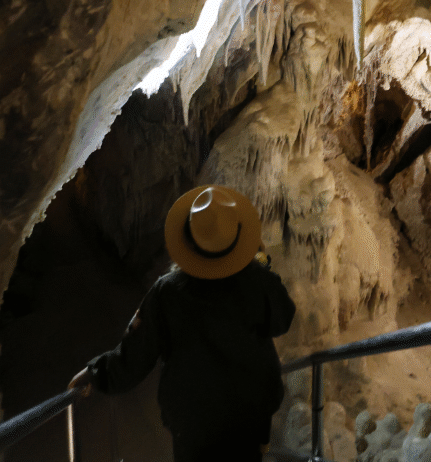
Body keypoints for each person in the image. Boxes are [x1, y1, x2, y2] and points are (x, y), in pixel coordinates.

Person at [69, 185, 296, 462]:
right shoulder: (257, 281)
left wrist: (95, 373)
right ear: (237, 239)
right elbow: (282, 320)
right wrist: (259, 268)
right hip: (248, 419)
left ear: (188, 241)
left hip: (193, 426)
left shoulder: (168, 292)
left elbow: (134, 357)